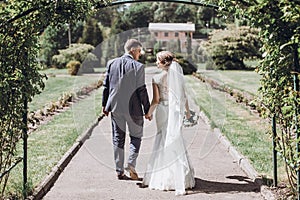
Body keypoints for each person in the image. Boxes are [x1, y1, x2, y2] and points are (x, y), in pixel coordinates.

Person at [142, 51, 195, 195]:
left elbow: (156, 100)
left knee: (162, 138)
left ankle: (163, 176)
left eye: (158, 60)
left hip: (162, 111)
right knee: (174, 138)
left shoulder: (156, 78)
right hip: (174, 111)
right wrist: (188, 113)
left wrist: (148, 113)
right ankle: (180, 177)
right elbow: (183, 96)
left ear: (164, 62)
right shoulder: (177, 76)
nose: (156, 63)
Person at [102, 39, 150, 180]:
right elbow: (142, 90)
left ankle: (119, 170)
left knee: (118, 138)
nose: (140, 54)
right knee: (136, 137)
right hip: (134, 109)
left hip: (116, 107)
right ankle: (131, 162)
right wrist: (147, 109)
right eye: (139, 51)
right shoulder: (138, 67)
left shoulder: (111, 63)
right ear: (133, 50)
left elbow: (106, 86)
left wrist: (105, 105)